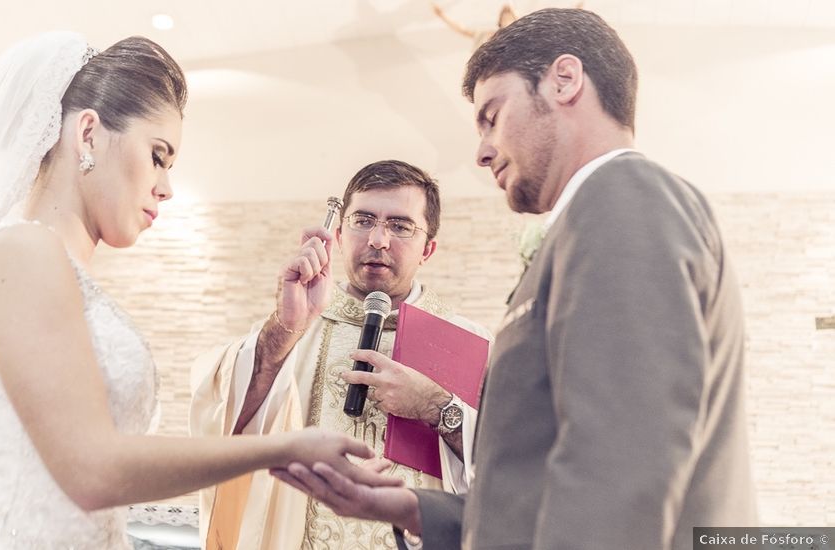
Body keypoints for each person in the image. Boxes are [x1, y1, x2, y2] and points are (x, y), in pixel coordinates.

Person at [271, 8, 758, 550]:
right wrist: (409, 506)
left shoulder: (625, 200)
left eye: (492, 117)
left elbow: (624, 471)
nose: (480, 152)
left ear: (564, 81)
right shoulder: (586, 223)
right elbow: (542, 483)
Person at [0, 32, 395, 550]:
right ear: (88, 133)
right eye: (158, 156)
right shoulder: (22, 252)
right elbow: (91, 468)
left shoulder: (62, 275)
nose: (167, 187)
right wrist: (284, 449)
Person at [189, 160, 491, 549]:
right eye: (363, 220)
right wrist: (285, 327)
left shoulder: (466, 342)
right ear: (338, 233)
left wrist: (437, 408)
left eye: (400, 226)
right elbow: (222, 421)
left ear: (427, 249)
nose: (378, 240)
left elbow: (514, 467)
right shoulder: (294, 327)